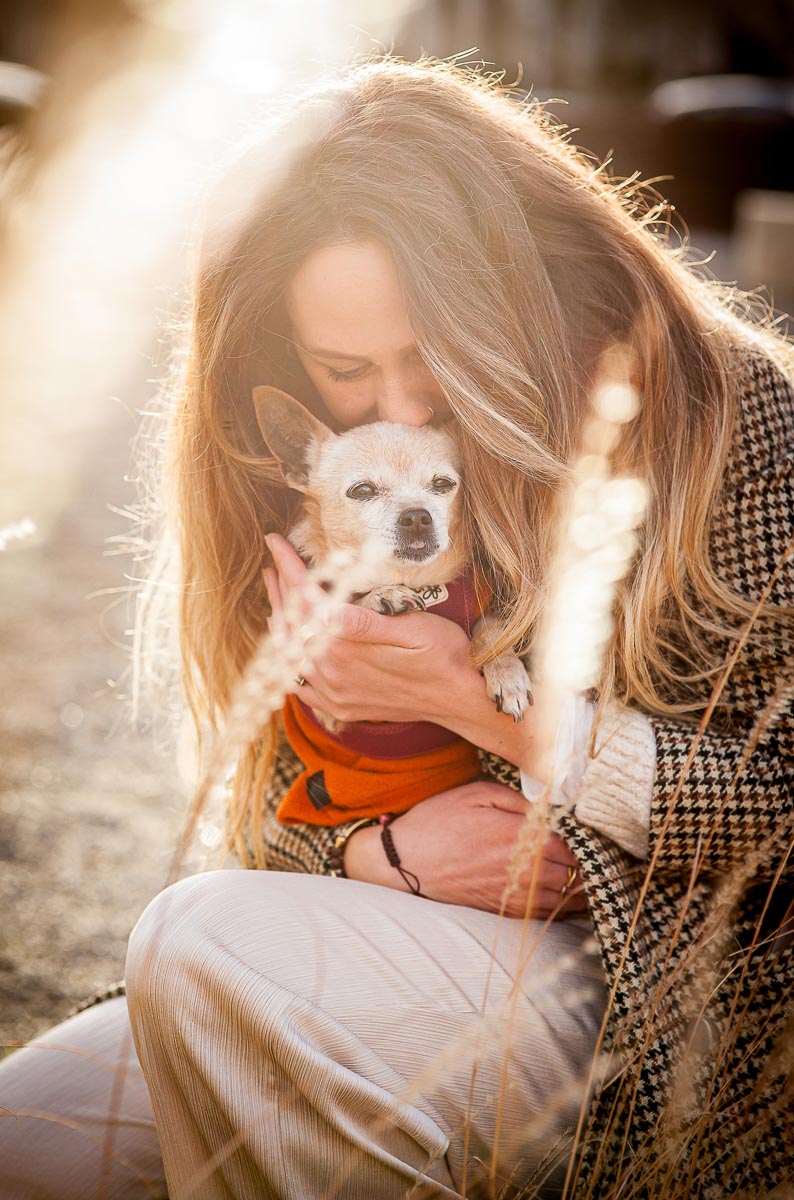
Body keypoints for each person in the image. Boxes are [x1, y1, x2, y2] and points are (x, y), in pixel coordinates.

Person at [1, 53, 791, 1200]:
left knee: (199, 941)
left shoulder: (735, 417)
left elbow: (779, 810)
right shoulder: (321, 477)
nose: (404, 410)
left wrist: (480, 711)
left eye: (434, 356)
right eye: (346, 370)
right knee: (27, 1138)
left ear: (511, 295)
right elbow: (273, 826)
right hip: (416, 940)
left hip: (661, 991)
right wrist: (381, 855)